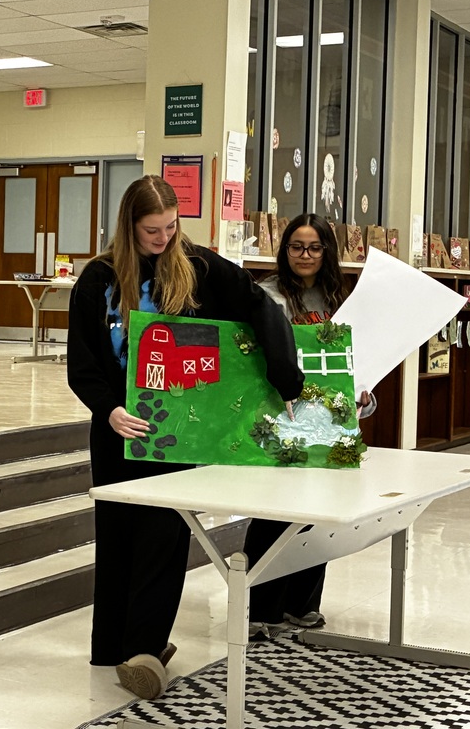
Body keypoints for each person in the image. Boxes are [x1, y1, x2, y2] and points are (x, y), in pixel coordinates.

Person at [66, 175, 304, 700]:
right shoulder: (97, 279)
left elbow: (261, 308)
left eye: (172, 227)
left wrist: (288, 379)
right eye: (153, 230)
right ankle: (112, 645)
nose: (164, 238)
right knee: (117, 533)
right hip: (117, 430)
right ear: (130, 227)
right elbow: (83, 362)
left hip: (177, 433)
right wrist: (108, 410)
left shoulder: (196, 266)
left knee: (164, 535)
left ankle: (146, 649)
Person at [243, 212, 375, 638]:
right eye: (296, 247)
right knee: (275, 516)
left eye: (314, 247)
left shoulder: (339, 300)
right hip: (280, 421)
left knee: (319, 516)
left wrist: (365, 397)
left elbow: (354, 366)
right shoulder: (265, 296)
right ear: (284, 251)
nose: (305, 255)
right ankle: (262, 609)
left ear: (326, 252)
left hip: (327, 426)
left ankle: (303, 605)